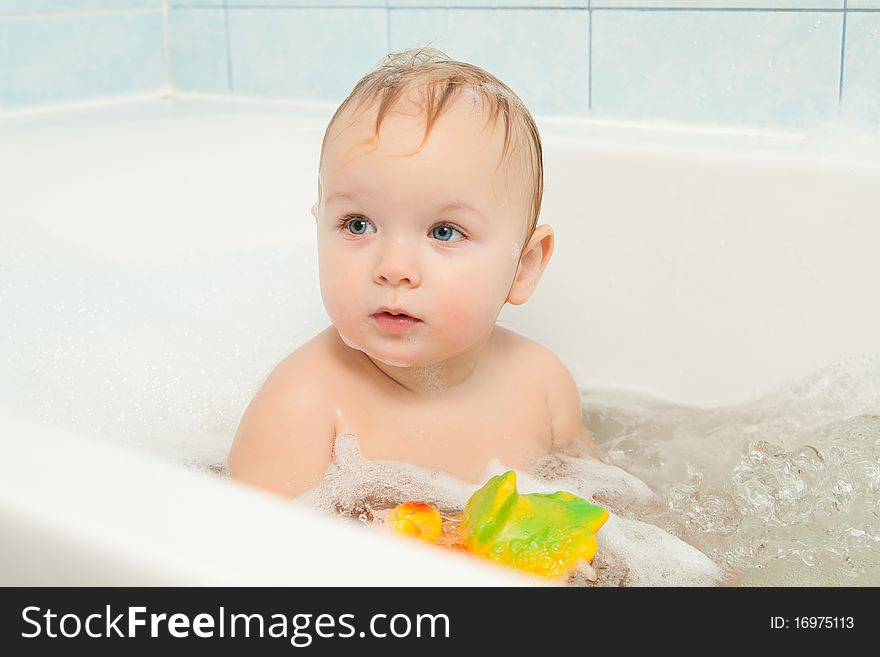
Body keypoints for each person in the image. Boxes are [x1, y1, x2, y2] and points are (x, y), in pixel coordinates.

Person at [228, 46, 600, 499]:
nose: (393, 269)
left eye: (444, 232)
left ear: (523, 268)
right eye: (358, 225)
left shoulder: (543, 385)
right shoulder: (302, 406)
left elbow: (607, 514)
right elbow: (250, 553)